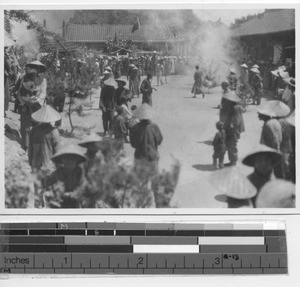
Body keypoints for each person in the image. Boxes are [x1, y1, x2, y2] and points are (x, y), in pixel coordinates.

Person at [130, 104, 163, 207]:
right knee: (156, 184)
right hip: (153, 159)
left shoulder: (135, 128)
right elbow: (160, 140)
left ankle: (142, 206)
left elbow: (133, 144)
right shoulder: (155, 127)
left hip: (140, 159)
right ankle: (158, 205)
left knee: (141, 184)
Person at [28, 105, 61, 172]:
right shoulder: (54, 131)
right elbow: (57, 149)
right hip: (48, 164)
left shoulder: (34, 130)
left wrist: (31, 162)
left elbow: (30, 148)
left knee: (37, 181)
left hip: (36, 163)